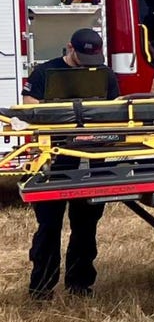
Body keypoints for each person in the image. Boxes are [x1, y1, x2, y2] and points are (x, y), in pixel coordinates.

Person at [22, 28, 120, 300]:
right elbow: (29, 105)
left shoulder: (104, 74)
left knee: (86, 226)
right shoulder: (44, 72)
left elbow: (114, 109)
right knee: (49, 226)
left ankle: (80, 285)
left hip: (92, 156)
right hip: (54, 157)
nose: (88, 64)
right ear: (70, 48)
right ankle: (41, 288)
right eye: (83, 58)